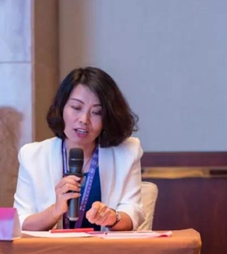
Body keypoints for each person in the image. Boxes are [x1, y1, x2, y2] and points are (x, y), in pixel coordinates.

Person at [14, 67, 145, 231]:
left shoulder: (126, 153)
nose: (84, 119)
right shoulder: (32, 156)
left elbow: (134, 213)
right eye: (76, 107)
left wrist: (113, 218)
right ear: (61, 108)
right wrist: (54, 211)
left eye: (96, 112)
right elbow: (21, 222)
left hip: (105, 247)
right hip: (52, 247)